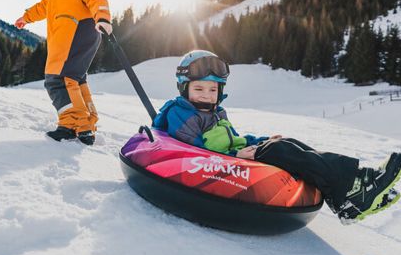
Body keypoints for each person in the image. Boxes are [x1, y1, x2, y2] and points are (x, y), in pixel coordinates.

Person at [152, 50, 401, 224]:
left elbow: (235, 138)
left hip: (235, 158)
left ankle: (349, 192)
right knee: (278, 150)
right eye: (198, 89)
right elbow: (190, 152)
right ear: (184, 88)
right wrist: (233, 155)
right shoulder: (181, 114)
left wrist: (260, 140)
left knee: (287, 144)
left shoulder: (216, 113)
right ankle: (356, 188)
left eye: (212, 89)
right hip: (222, 165)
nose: (206, 95)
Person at [14, 0, 112, 145]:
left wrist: (103, 15)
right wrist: (27, 16)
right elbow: (48, 4)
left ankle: (77, 125)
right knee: (74, 79)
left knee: (57, 79)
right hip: (76, 31)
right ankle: (79, 124)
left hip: (76, 29)